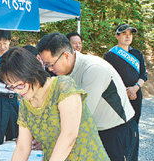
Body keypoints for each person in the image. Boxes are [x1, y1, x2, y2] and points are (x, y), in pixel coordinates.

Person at [38, 32, 138, 161]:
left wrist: (50, 141)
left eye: (51, 64)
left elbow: (79, 116)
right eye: (46, 65)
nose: (50, 69)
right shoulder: (65, 72)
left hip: (116, 133)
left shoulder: (93, 69)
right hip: (95, 131)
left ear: (66, 55)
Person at [0, 47, 109, 161]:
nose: (17, 91)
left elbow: (69, 135)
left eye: (20, 85)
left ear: (33, 72)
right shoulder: (25, 105)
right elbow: (22, 147)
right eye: (11, 87)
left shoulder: (63, 86)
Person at [104, 24, 147, 161]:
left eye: (130, 33)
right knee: (120, 128)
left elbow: (143, 75)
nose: (128, 36)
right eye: (124, 33)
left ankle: (133, 157)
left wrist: (135, 88)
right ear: (117, 36)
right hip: (119, 97)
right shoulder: (110, 55)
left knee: (134, 127)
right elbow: (108, 77)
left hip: (136, 95)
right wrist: (125, 91)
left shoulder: (137, 54)